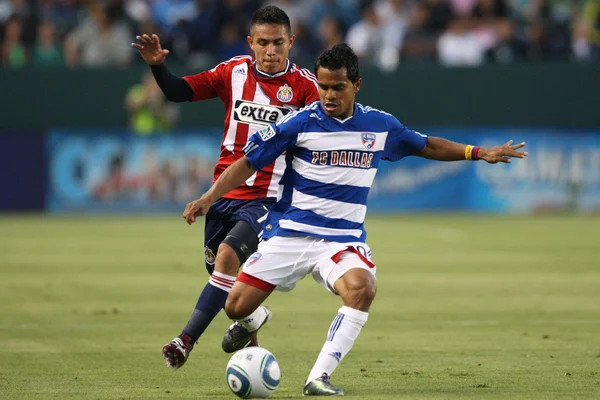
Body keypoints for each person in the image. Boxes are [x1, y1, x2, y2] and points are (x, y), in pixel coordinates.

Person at [182, 43, 528, 396]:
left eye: (338, 87)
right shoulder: (298, 123)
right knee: (235, 306)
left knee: (362, 288)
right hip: (289, 234)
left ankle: (319, 378)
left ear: (357, 85)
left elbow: (425, 145)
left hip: (341, 239)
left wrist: (478, 152)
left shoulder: (379, 125)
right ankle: (252, 319)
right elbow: (248, 162)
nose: (328, 95)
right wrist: (209, 197)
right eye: (323, 86)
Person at [131, 5, 320, 370]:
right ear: (250, 42)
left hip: (269, 197)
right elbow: (178, 92)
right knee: (224, 279)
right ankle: (252, 332)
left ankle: (184, 341)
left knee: (228, 258)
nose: (270, 51)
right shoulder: (232, 72)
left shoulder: (306, 87)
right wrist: (156, 64)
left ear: (291, 42)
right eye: (262, 42)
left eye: (278, 42)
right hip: (223, 194)